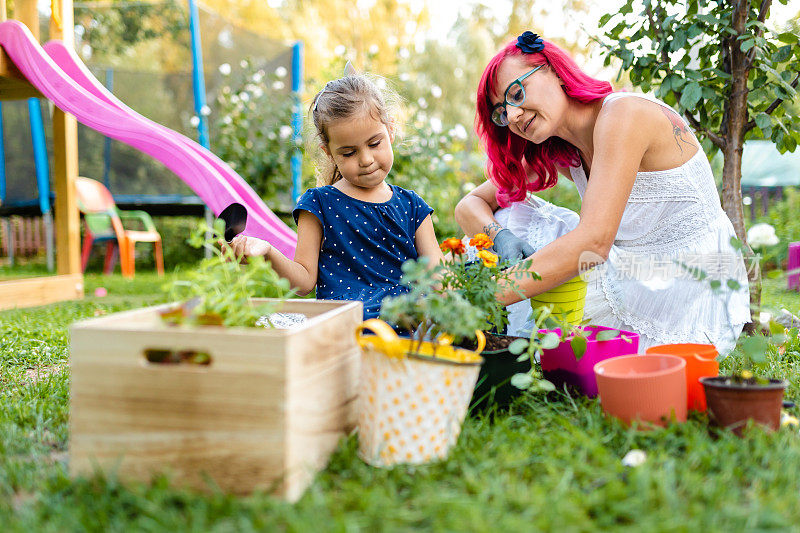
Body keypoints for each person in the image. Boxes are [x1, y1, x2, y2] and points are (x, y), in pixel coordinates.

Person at [455, 31, 750, 353]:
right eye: (501, 111)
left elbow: (593, 243)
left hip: (688, 285)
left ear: (552, 70)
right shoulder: (560, 147)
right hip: (629, 268)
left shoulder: (624, 114)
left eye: (516, 93)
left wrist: (480, 295)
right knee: (510, 212)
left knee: (552, 326)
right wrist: (499, 237)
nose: (511, 115)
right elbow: (469, 206)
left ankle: (487, 323)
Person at [230, 71, 443, 320]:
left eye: (374, 144)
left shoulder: (413, 206)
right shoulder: (319, 204)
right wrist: (267, 252)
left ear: (391, 130)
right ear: (329, 152)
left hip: (409, 330)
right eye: (348, 153)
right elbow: (303, 282)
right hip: (343, 330)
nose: (365, 160)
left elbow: (437, 278)